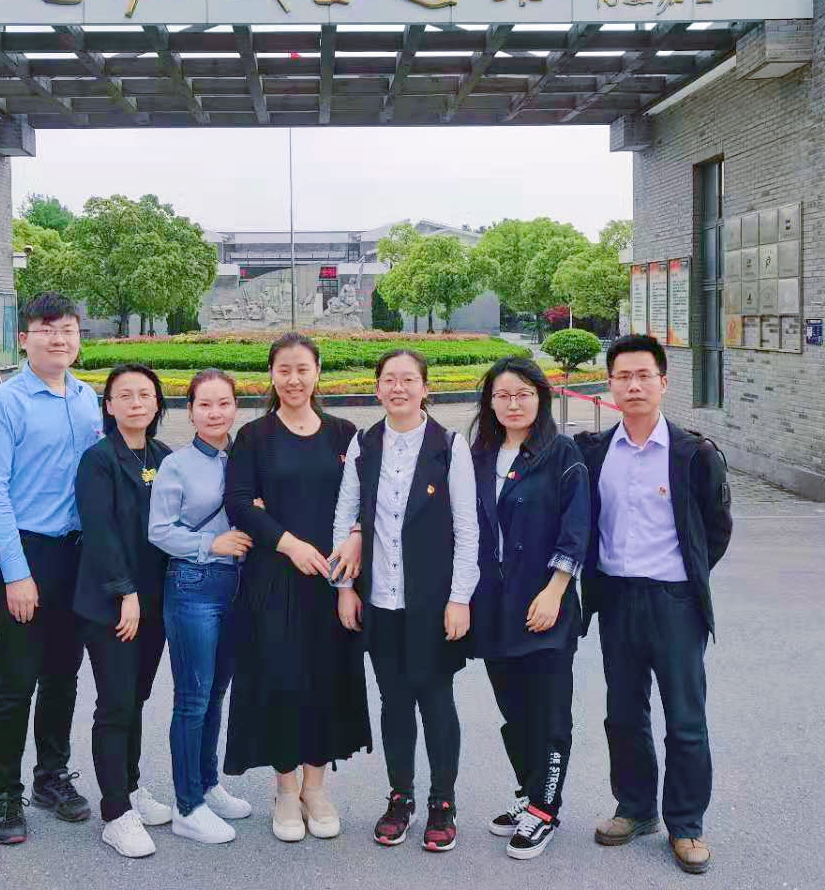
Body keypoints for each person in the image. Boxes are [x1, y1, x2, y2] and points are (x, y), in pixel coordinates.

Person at [574, 334, 732, 875]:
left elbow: (715, 530)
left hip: (674, 601)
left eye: (644, 375)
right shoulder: (594, 452)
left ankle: (686, 824)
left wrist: (685, 579)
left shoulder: (694, 454)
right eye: (623, 376)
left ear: (663, 382)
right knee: (623, 714)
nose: (634, 385)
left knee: (685, 718)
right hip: (616, 599)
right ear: (610, 385)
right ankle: (635, 808)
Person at [329, 349, 479, 853]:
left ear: (425, 388)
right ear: (377, 388)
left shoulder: (449, 446)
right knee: (394, 702)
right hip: (379, 599)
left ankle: (442, 802)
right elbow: (345, 515)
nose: (398, 388)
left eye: (408, 379)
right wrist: (344, 588)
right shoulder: (364, 443)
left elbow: (467, 530)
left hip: (432, 600)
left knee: (435, 700)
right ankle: (401, 797)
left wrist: (460, 598)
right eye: (389, 380)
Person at [223, 332, 371, 843]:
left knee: (325, 680)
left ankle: (315, 788)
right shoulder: (254, 436)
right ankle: (285, 790)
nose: (293, 379)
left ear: (317, 372)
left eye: (302, 369)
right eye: (283, 369)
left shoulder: (344, 435)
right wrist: (288, 544)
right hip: (274, 579)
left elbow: (365, 499)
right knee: (281, 680)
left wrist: (354, 541)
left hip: (332, 581)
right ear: (271, 374)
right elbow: (239, 502)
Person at [0, 293, 103, 845]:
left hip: (76, 554)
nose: (59, 339)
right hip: (24, 552)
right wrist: (16, 572)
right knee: (16, 678)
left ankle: (51, 776)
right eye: (47, 329)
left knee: (62, 674)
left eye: (68, 329)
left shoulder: (87, 398)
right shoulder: (3, 405)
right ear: (24, 338)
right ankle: (3, 791)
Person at [470, 356, 591, 860]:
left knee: (549, 712)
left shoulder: (562, 453)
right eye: (502, 395)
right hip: (495, 608)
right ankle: (529, 793)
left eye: (522, 393)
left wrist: (555, 590)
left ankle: (545, 808)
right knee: (514, 711)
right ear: (490, 402)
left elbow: (577, 526)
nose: (512, 403)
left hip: (545, 604)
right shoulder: (479, 455)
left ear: (540, 397)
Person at [147, 368, 255, 845]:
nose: (215, 413)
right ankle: (187, 805)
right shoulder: (177, 465)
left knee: (215, 694)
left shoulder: (245, 458)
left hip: (238, 588)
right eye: (204, 405)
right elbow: (159, 530)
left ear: (236, 407)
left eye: (223, 403)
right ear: (189, 411)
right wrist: (211, 544)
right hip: (194, 585)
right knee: (192, 698)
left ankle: (208, 785)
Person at [74, 364, 176, 857]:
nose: (137, 403)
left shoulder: (163, 456)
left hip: (154, 601)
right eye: (125, 395)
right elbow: (99, 530)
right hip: (113, 603)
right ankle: (115, 813)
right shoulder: (98, 460)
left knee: (135, 697)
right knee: (115, 703)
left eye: (145, 395)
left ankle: (131, 788)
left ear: (157, 403)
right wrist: (125, 592)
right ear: (109, 406)